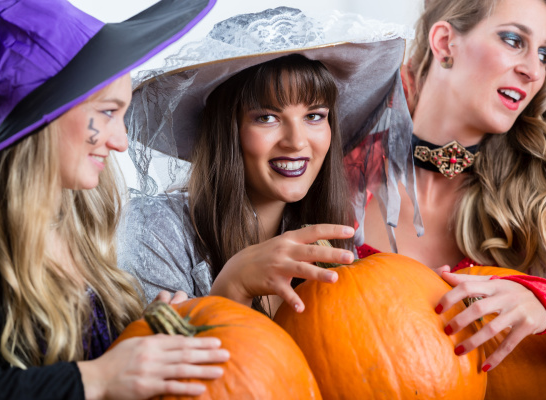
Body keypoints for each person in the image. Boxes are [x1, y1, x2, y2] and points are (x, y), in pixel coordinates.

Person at [0, 0, 231, 399]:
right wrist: (97, 379)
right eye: (106, 112)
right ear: (43, 119)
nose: (120, 142)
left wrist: (138, 334)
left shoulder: (79, 220)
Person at [117, 7, 415, 317]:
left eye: (314, 116)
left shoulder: (334, 239)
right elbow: (157, 357)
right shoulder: (156, 233)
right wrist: (232, 287)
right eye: (267, 117)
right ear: (227, 129)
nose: (297, 141)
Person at [358, 0, 546, 373]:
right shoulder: (340, 157)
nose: (533, 70)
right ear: (446, 42)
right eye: (513, 40)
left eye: (545, 54)